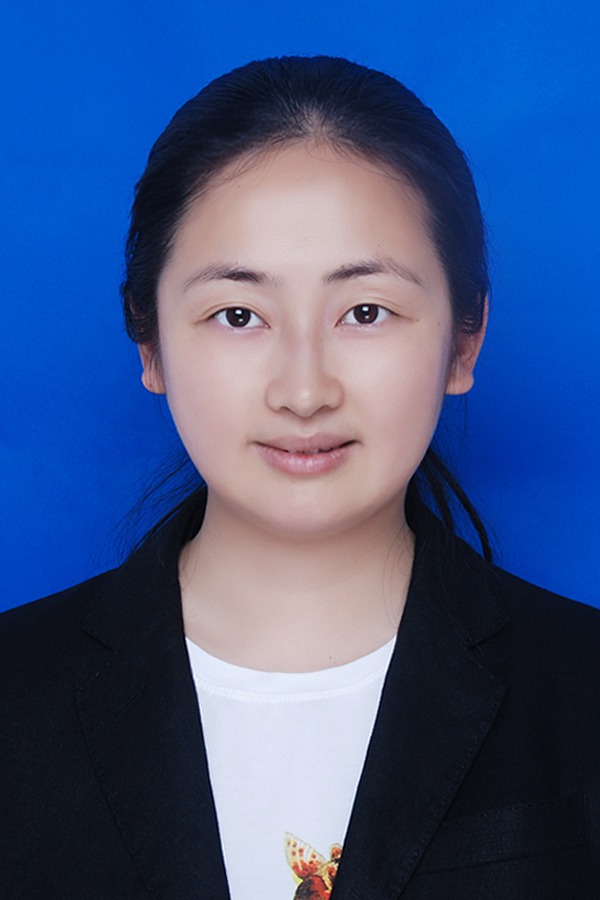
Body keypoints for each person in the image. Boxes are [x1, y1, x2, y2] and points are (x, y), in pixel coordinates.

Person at [1, 55, 599, 899]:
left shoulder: (582, 691)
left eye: (366, 311)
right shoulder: (15, 697)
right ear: (151, 343)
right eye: (238, 315)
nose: (305, 391)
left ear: (464, 341)